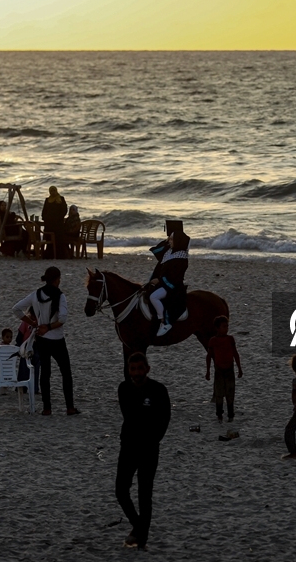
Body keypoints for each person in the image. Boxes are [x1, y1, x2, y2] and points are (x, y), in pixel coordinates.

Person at [116, 352, 171, 550]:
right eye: (133, 369)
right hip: (129, 446)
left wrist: (154, 438)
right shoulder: (124, 389)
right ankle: (139, 528)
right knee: (121, 491)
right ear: (128, 370)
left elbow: (164, 418)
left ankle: (141, 539)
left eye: (140, 368)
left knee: (144, 494)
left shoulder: (158, 390)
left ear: (147, 369)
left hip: (149, 448)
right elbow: (130, 415)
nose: (137, 373)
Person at [12, 267, 79, 416]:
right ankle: (70, 407)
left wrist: (34, 324)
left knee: (45, 373)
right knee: (66, 372)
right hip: (57, 339)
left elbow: (16, 309)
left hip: (41, 340)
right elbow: (62, 319)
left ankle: (47, 408)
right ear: (56, 280)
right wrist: (48, 327)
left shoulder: (36, 295)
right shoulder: (60, 296)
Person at [151, 231, 189, 337]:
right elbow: (158, 250)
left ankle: (163, 321)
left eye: (172, 240)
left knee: (153, 297)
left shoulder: (181, 257)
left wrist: (159, 280)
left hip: (173, 286)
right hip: (163, 283)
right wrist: (167, 239)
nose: (170, 242)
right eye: (170, 239)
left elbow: (174, 276)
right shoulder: (169, 252)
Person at [205, 315, 242, 422]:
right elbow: (209, 356)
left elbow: (235, 354)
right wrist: (208, 371)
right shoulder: (213, 341)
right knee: (219, 394)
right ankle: (219, 414)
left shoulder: (230, 339)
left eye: (227, 326)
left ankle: (230, 414)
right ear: (217, 328)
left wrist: (239, 368)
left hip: (229, 368)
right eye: (224, 326)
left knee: (230, 393)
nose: (226, 328)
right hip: (219, 370)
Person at [41, 186, 68, 258]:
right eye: (51, 191)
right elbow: (44, 211)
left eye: (54, 190)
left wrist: (58, 218)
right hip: (49, 225)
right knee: (49, 240)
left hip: (58, 224)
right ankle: (49, 255)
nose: (52, 192)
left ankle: (59, 255)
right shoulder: (47, 200)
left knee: (58, 240)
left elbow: (64, 210)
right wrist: (46, 218)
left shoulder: (61, 199)